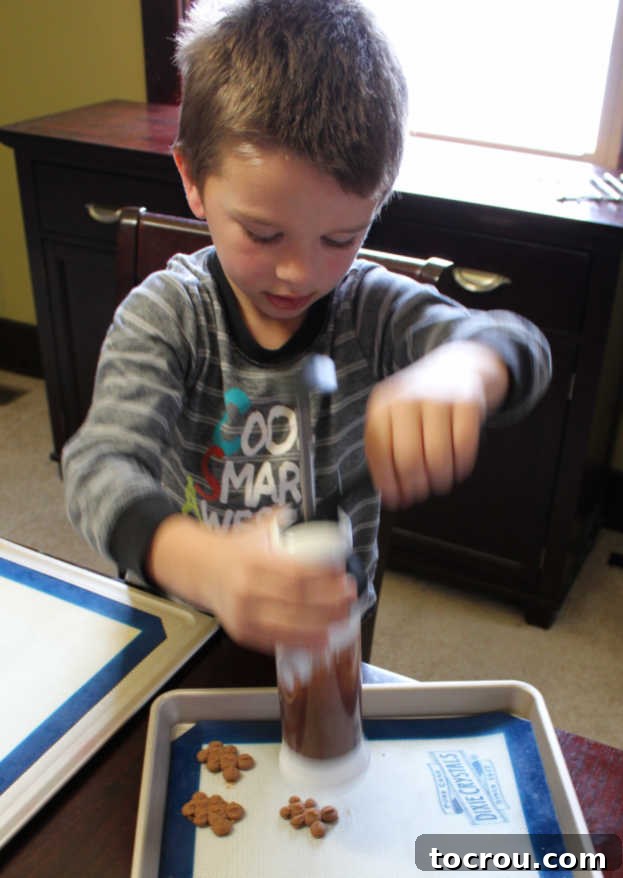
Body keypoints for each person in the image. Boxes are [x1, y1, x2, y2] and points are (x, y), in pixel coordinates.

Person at [62, 0, 551, 655]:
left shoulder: (370, 308)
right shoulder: (168, 314)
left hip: (327, 630)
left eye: (340, 237)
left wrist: (465, 368)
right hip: (181, 624)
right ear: (193, 181)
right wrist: (206, 564)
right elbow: (100, 467)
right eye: (263, 234)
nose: (299, 272)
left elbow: (517, 343)